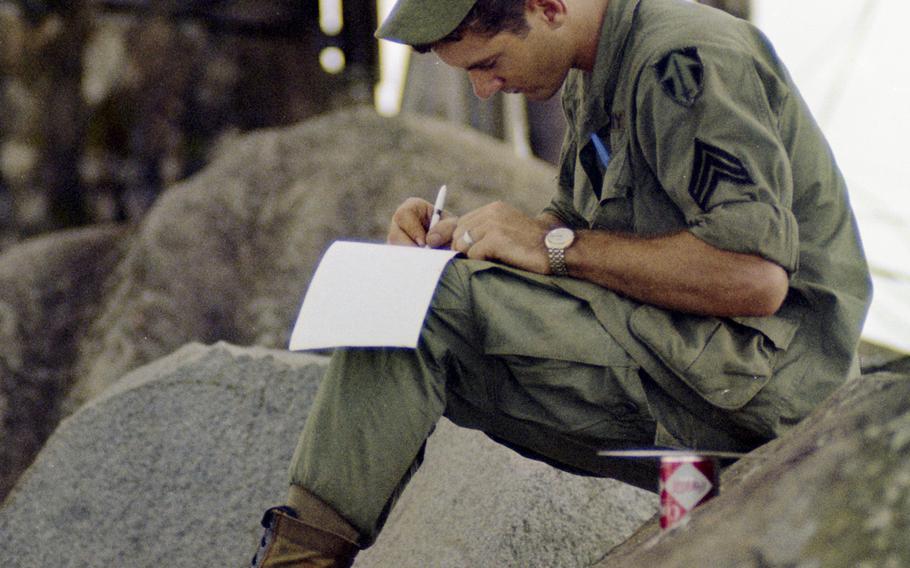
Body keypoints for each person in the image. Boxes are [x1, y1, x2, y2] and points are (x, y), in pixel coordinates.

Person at [250, 0, 872, 565]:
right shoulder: (593, 71)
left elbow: (753, 278)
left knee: (425, 312)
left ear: (548, 7)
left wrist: (552, 246)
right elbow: (578, 227)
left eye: (489, 63)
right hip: (683, 358)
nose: (485, 90)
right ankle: (697, 513)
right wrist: (463, 239)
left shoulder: (684, 60)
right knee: (415, 293)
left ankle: (295, 562)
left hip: (760, 386)